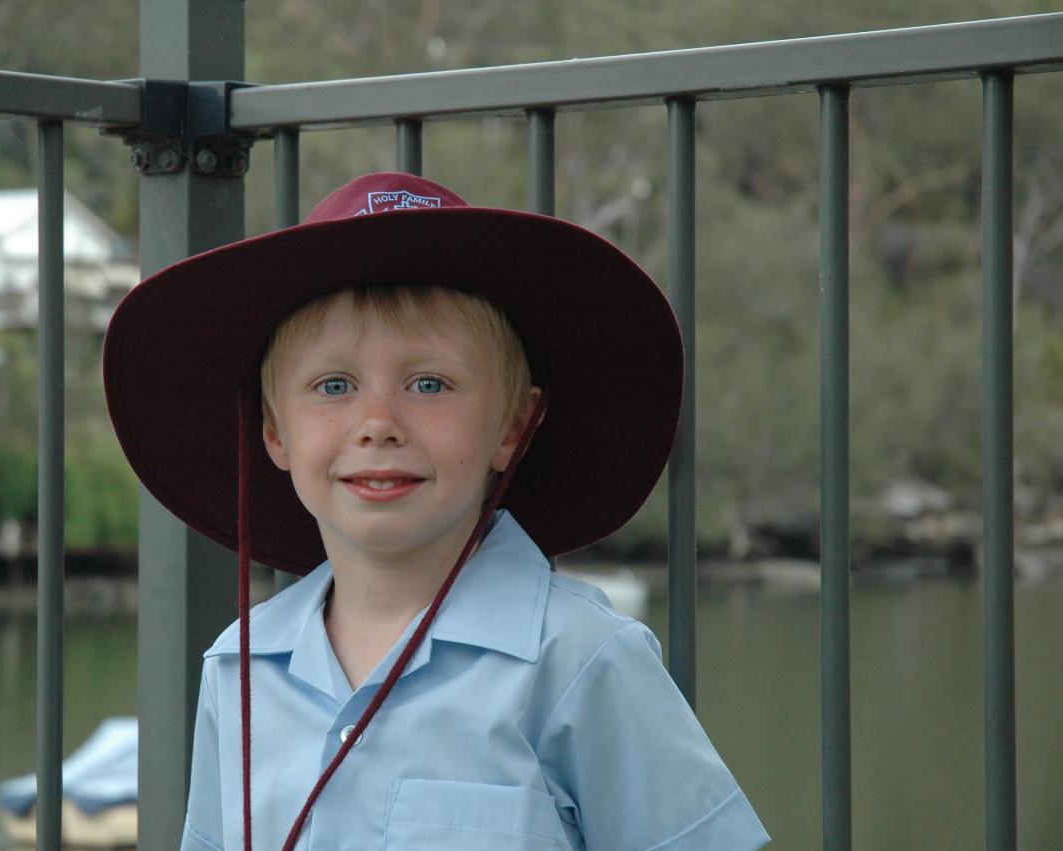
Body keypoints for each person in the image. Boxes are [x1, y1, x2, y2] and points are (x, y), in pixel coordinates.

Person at [103, 172, 769, 850]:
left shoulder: (580, 659)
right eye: (333, 385)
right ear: (275, 432)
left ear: (514, 426)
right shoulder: (239, 666)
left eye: (429, 383)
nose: (378, 423)